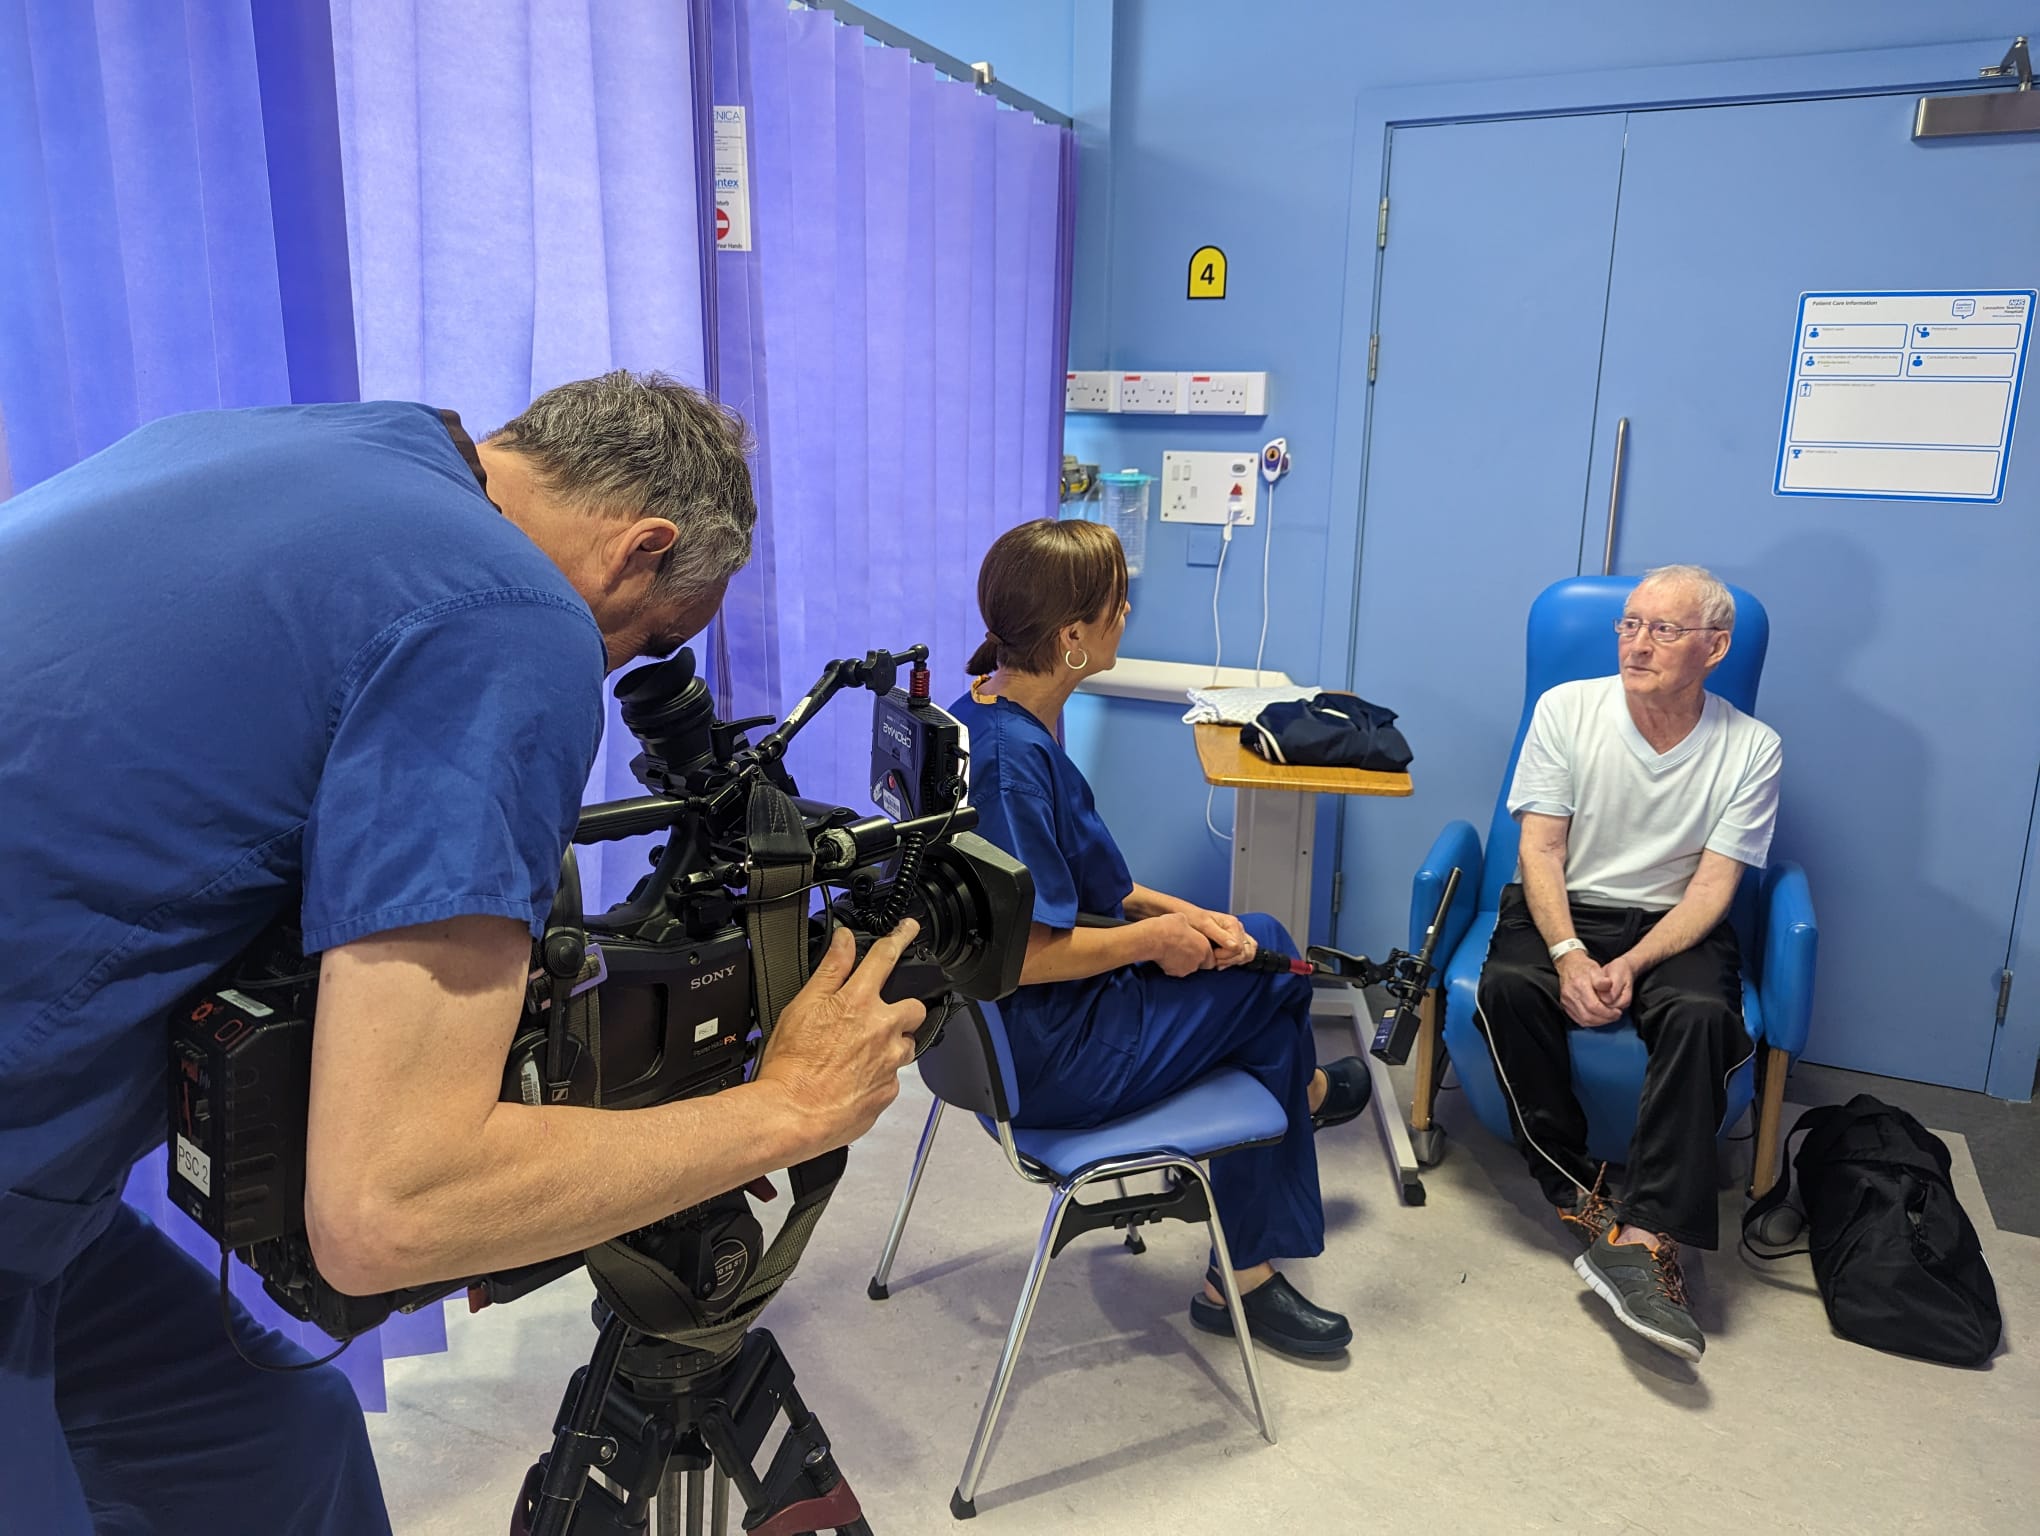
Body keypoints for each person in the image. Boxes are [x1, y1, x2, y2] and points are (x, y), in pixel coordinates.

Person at [0, 373, 926, 1535]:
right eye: (645, 642)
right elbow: (386, 1208)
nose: (607, 674)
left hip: (46, 1189)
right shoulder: (508, 610)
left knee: (281, 1454)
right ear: (641, 551)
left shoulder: (292, 444)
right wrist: (793, 1108)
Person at [949, 519, 1374, 1360]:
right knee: (1272, 984)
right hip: (1050, 1056)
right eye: (1115, 604)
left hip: (1004, 1034)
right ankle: (1243, 1272)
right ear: (1072, 636)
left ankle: (1303, 1102)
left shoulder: (987, 716)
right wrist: (1154, 944)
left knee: (1254, 939)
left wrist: (1184, 917)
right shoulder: (1010, 768)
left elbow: (1086, 886)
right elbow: (1029, 956)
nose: (1127, 610)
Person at [1475, 564, 1782, 1363]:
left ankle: (1645, 1239)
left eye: (1664, 630)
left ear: (1714, 648)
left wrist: (1637, 963)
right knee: (1508, 986)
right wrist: (1571, 953)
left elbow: (1715, 888)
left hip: (1675, 920)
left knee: (1703, 1014)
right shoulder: (1567, 710)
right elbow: (1539, 847)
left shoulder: (1752, 748)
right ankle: (1576, 1191)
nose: (1638, 644)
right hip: (1564, 903)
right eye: (1630, 625)